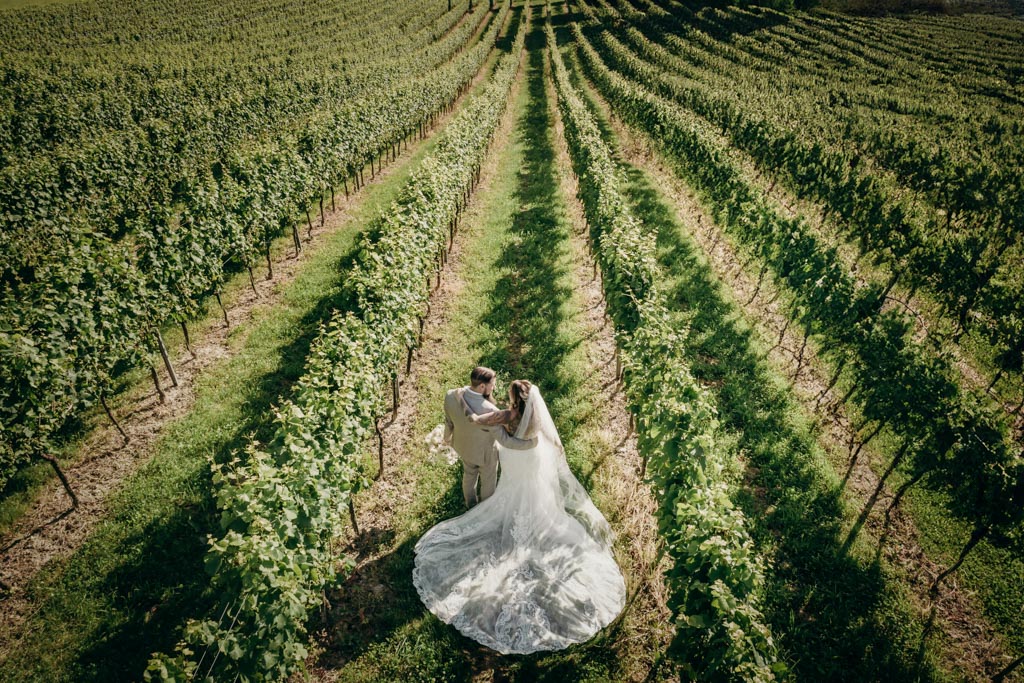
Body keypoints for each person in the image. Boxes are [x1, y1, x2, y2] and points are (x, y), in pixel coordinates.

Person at [414, 380, 626, 655]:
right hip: (531, 459)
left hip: (513, 460)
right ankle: (533, 521)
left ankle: (514, 520)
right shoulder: (536, 418)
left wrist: (461, 398)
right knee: (533, 494)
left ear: (515, 399)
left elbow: (475, 419)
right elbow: (552, 440)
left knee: (512, 491)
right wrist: (556, 449)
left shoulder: (506, 416)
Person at [444, 367, 538, 508]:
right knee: (488, 483)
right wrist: (532, 443)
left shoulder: (451, 395)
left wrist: (446, 438)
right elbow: (506, 441)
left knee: (469, 476)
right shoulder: (489, 410)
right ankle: (485, 509)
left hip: (463, 447)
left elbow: (448, 421)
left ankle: (470, 504)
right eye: (492, 384)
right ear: (482, 386)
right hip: (485, 455)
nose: (493, 387)